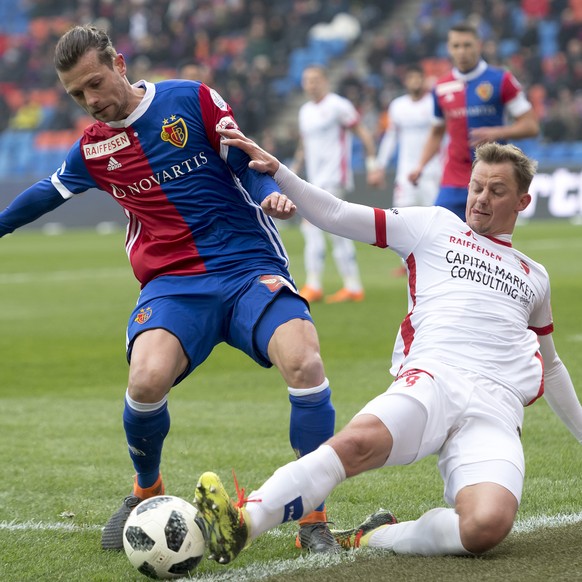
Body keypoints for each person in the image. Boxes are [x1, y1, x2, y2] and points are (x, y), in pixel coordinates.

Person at [0, 25, 340, 554]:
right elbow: (48, 193)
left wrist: (269, 193)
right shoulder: (93, 150)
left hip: (247, 265)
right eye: (77, 95)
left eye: (95, 83)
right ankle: (146, 490)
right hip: (174, 282)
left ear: (118, 61)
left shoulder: (191, 98)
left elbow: (243, 161)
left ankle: (312, 518)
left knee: (305, 363)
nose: (91, 101)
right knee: (146, 380)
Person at [194, 129, 582, 565]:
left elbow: (550, 367)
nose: (481, 198)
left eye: (497, 191)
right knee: (356, 444)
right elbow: (338, 213)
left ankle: (373, 536)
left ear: (522, 202)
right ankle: (244, 521)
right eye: (476, 186)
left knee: (486, 527)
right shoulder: (435, 226)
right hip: (435, 376)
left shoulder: (535, 275)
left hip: (498, 407)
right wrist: (279, 172)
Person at [408, 22, 540, 220]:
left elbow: (531, 126)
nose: (461, 51)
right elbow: (437, 131)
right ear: (449, 48)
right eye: (456, 46)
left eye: (467, 45)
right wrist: (420, 165)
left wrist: (497, 132)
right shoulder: (441, 87)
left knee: (486, 242)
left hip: (492, 174)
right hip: (454, 175)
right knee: (438, 229)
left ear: (479, 45)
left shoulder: (501, 80)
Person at [292, 65, 378, 304]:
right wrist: (295, 170)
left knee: (312, 228)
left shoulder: (338, 105)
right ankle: (351, 286)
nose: (312, 84)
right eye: (307, 80)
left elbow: (362, 132)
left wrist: (372, 165)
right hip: (314, 179)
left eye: (316, 79)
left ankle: (315, 284)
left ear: (325, 81)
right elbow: (304, 145)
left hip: (334, 177)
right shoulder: (305, 111)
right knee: (335, 232)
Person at [368, 63, 442, 276]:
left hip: (432, 171)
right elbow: (390, 138)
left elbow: (442, 136)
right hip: (405, 172)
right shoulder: (398, 106)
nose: (414, 82)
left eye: (418, 78)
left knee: (434, 218)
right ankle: (406, 264)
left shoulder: (433, 104)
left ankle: (435, 261)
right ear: (406, 81)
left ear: (423, 79)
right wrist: (379, 166)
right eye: (410, 78)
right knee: (401, 219)